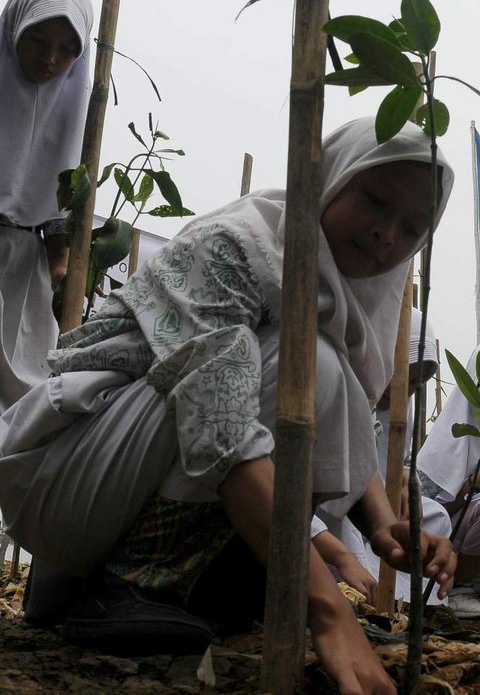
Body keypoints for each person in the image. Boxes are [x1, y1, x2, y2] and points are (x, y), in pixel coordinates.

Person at [0, 116, 457, 694]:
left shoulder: (342, 298)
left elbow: (342, 421)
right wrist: (327, 612)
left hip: (120, 481)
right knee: (302, 363)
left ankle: (184, 588)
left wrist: (388, 527)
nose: (386, 234)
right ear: (333, 178)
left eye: (412, 226)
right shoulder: (238, 248)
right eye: (374, 200)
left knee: (321, 367)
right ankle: (130, 584)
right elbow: (223, 430)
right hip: (63, 477)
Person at [0, 0, 93, 412]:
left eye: (67, 50)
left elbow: (58, 209)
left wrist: (62, 268)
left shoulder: (72, 107)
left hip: (23, 268)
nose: (50, 59)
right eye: (38, 41)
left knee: (21, 401)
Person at [315, 308, 451, 606]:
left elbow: (383, 462)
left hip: (373, 509)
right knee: (342, 526)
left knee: (435, 517)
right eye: (406, 377)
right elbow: (346, 469)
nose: (410, 390)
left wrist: (403, 479)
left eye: (418, 383)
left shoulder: (403, 404)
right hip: (328, 505)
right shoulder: (334, 384)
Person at [418, 344, 480, 617]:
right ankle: (459, 588)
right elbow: (425, 515)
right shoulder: (445, 447)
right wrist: (471, 485)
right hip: (449, 548)